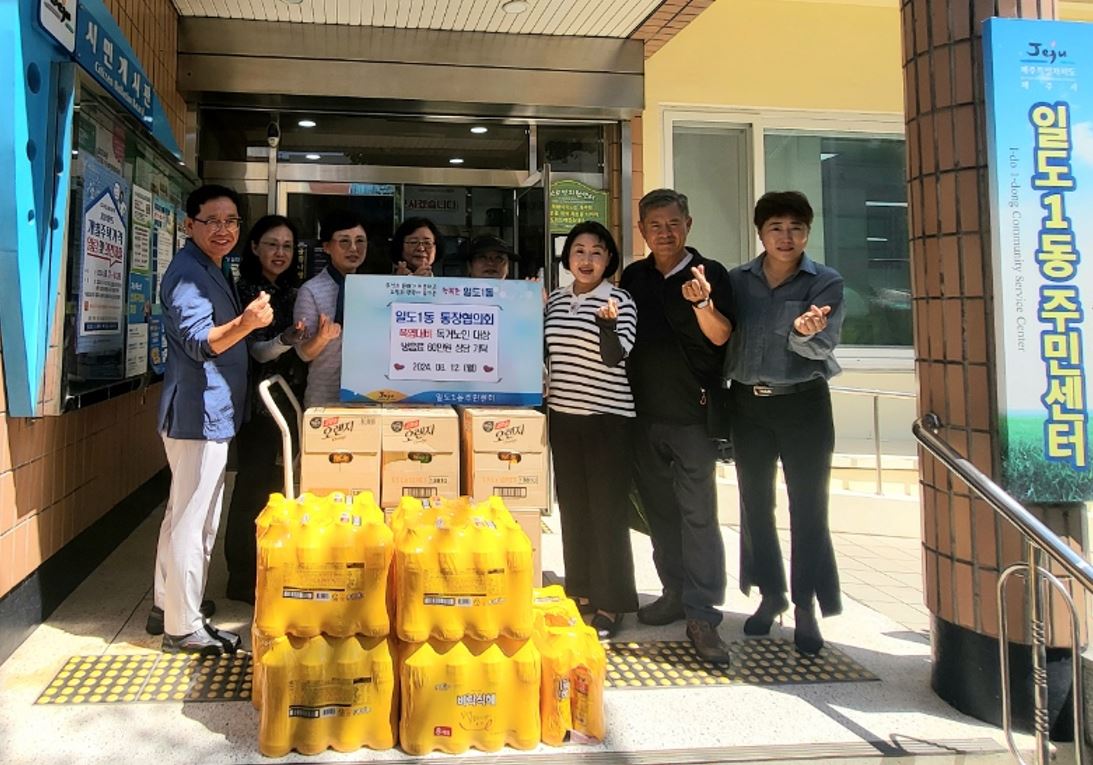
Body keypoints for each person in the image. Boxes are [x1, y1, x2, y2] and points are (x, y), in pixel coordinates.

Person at [151, 184, 273, 654]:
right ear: (190, 225)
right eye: (213, 221)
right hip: (198, 415)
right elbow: (203, 342)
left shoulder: (208, 266)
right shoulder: (188, 274)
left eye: (231, 222)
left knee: (180, 512)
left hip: (207, 411)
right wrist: (247, 322)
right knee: (194, 520)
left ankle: (167, 604)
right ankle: (183, 628)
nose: (224, 230)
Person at [726, 191, 844, 656]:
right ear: (760, 232)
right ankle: (770, 594)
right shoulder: (737, 281)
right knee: (755, 507)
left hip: (804, 406)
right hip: (748, 406)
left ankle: (806, 607)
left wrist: (804, 333)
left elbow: (823, 346)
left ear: (807, 233)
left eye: (796, 228)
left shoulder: (825, 282)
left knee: (809, 510)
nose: (786, 237)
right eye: (776, 227)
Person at [619, 188, 733, 664]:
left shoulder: (711, 274)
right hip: (644, 414)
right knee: (660, 512)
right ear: (641, 228)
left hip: (693, 416)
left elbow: (723, 334)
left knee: (698, 514)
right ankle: (672, 593)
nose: (664, 232)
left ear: (689, 224)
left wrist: (703, 304)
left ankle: (703, 613)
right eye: (654, 225)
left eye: (673, 223)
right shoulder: (633, 276)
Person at [545, 221, 639, 640]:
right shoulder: (556, 303)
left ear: (610, 260)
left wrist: (606, 324)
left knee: (607, 513)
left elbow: (616, 358)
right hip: (563, 418)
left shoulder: (620, 300)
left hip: (608, 421)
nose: (586, 259)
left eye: (597, 252)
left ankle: (611, 602)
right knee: (574, 508)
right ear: (567, 259)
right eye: (579, 250)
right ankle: (578, 591)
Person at [223, 215, 308, 604]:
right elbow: (257, 350)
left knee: (281, 488)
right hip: (259, 405)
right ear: (254, 246)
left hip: (291, 402)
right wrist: (286, 339)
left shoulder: (293, 290)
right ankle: (241, 577)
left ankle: (273, 570)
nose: (280, 253)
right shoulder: (243, 291)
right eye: (272, 244)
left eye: (287, 246)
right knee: (252, 487)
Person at [294, 210, 366, 408]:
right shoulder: (311, 290)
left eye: (360, 241)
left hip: (369, 396)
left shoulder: (374, 288)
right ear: (326, 247)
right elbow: (303, 353)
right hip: (325, 397)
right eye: (344, 241)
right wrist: (322, 338)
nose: (354, 248)